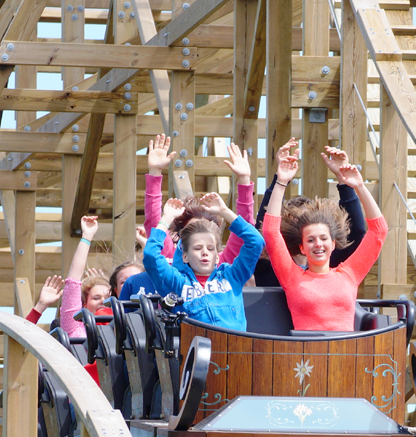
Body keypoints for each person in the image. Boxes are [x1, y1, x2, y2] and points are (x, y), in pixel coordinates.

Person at [263, 146, 388, 332]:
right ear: (302, 248)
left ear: (333, 244)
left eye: (323, 238)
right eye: (311, 240)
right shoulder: (292, 277)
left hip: (344, 353)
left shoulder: (349, 274)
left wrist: (359, 186)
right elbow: (271, 232)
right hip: (307, 357)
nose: (318, 244)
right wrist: (281, 181)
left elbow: (379, 231)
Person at [121, 137, 257, 299]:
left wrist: (244, 180)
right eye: (193, 232)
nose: (203, 248)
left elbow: (246, 234)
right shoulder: (171, 260)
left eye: (206, 231)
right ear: (181, 240)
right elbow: (154, 222)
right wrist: (155, 172)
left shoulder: (221, 263)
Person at [254, 139, 368, 286]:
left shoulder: (327, 260)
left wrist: (344, 181)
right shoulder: (271, 262)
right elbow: (264, 231)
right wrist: (280, 180)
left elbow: (356, 234)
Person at [143, 193, 264, 330]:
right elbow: (150, 255)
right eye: (197, 248)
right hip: (197, 348)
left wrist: (224, 212)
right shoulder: (177, 283)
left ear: (217, 256)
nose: (205, 252)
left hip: (235, 347)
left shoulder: (232, 276)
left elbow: (256, 241)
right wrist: (166, 219)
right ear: (185, 256)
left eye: (210, 248)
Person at [60, 215, 111, 339]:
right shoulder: (75, 326)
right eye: (96, 297)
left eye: (109, 298)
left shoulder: (123, 328)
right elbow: (73, 282)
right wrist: (87, 237)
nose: (103, 301)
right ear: (84, 305)